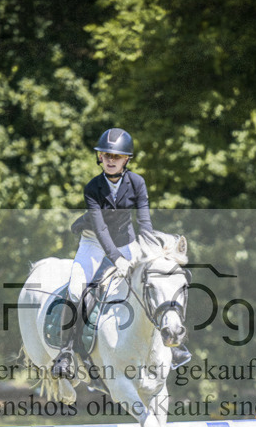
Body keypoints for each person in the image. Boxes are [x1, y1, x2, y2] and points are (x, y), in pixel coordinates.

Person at [51, 128, 190, 379]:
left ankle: (171, 343)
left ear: (127, 159)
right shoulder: (92, 188)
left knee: (155, 279)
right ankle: (66, 351)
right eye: (106, 155)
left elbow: (144, 222)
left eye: (117, 156)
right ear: (100, 158)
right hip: (94, 242)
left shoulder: (137, 183)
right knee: (75, 288)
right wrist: (117, 259)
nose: (111, 160)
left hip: (127, 240)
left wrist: (151, 252)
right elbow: (101, 229)